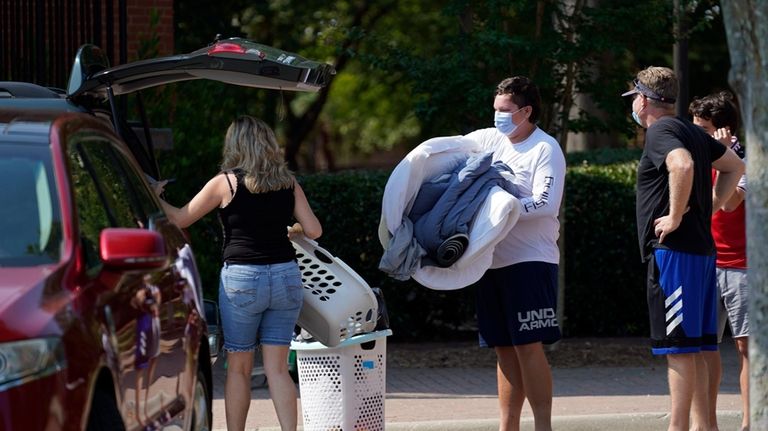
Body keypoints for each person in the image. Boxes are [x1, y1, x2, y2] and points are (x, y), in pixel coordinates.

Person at [153, 115, 322, 431]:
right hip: (286, 277)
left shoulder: (226, 182)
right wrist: (293, 230)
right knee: (278, 370)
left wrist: (156, 195)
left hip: (243, 280)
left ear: (235, 145)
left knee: (239, 370)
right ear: (268, 145)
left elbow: (180, 219)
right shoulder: (288, 182)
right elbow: (314, 230)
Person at [622, 67, 745, 431]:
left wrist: (675, 216)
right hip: (702, 254)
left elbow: (682, 164)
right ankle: (705, 426)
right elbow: (734, 165)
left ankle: (678, 426)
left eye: (634, 99)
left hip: (675, 254)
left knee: (679, 347)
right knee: (702, 345)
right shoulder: (691, 130)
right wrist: (712, 206)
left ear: (643, 99)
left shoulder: (660, 130)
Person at [464, 76, 566, 431]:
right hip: (491, 261)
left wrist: (498, 210)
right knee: (502, 349)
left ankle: (543, 426)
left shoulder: (545, 148)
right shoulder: (493, 141)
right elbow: (447, 153)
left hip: (530, 261)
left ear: (526, 111)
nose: (498, 117)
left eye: (505, 111)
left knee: (528, 346)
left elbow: (545, 202)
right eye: (495, 110)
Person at [689, 91, 749, 431]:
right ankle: (705, 423)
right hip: (706, 260)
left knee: (747, 348)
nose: (696, 134)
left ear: (722, 130)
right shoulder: (698, 155)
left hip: (744, 263)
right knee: (702, 345)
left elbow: (729, 203)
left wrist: (727, 157)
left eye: (703, 128)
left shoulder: (748, 156)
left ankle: (750, 422)